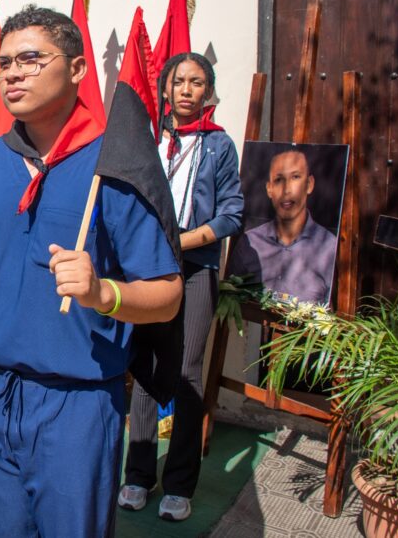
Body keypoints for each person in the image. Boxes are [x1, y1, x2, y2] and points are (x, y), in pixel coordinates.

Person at [0, 5, 183, 537]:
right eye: (3, 63)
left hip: (77, 403)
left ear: (76, 69)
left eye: (30, 58)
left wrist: (102, 292)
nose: (12, 73)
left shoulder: (115, 167)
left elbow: (168, 293)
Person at [120, 52, 244, 522]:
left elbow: (231, 213)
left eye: (197, 82)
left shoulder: (219, 145)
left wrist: (183, 241)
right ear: (165, 90)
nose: (187, 90)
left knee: (188, 371)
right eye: (179, 82)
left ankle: (178, 484)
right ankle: (137, 476)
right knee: (147, 368)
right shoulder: (149, 138)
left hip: (194, 270)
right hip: (148, 270)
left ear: (207, 92)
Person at [227, 148, 337, 304]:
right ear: (269, 189)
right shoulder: (249, 243)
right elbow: (231, 300)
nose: (286, 190)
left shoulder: (329, 247)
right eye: (278, 180)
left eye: (295, 177)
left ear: (309, 184)